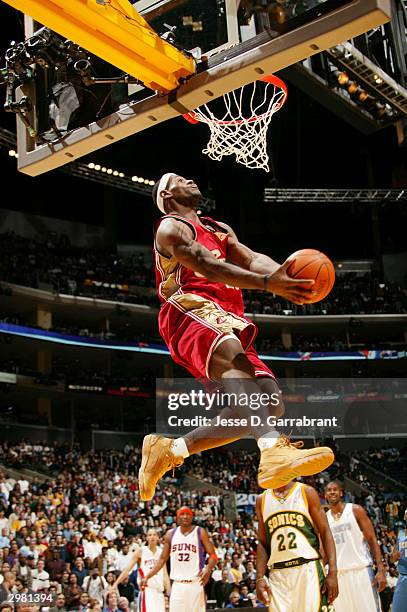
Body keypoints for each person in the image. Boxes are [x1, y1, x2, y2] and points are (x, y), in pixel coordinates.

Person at [139, 173, 334, 501]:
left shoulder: (219, 228)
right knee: (233, 358)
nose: (190, 178)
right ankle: (272, 448)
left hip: (227, 315)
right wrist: (268, 285)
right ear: (167, 195)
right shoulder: (170, 227)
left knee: (271, 402)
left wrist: (283, 274)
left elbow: (252, 259)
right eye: (180, 178)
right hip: (187, 307)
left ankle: (170, 449)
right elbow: (205, 265)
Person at [256, 479, 338, 611]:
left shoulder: (306, 492)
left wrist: (332, 572)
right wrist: (259, 578)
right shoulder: (262, 499)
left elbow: (325, 532)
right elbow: (262, 542)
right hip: (278, 574)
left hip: (307, 569)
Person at [141, 506, 218, 612]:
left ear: (192, 517)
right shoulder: (170, 534)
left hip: (195, 583)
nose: (185, 516)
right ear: (177, 518)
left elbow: (213, 556)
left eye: (187, 514)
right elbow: (162, 559)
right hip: (177, 585)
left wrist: (208, 569)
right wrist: (147, 576)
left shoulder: (200, 532)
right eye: (182, 514)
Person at [325, 480, 386, 611]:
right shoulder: (325, 518)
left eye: (335, 489)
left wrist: (380, 569)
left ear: (341, 493)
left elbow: (372, 539)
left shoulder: (355, 510)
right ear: (325, 495)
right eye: (329, 490)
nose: (332, 492)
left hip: (361, 570)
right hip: (339, 575)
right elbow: (323, 550)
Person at [112, 528, 169, 611]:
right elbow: (127, 570)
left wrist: (169, 592)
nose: (152, 537)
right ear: (146, 538)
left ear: (158, 537)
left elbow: (165, 574)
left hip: (159, 592)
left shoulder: (161, 552)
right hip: (147, 591)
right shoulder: (141, 551)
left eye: (154, 535)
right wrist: (115, 584)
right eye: (150, 535)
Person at [389, 508, 407, 612]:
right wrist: (394, 557)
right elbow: (391, 560)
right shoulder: (400, 534)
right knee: (397, 609)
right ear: (405, 517)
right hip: (403, 577)